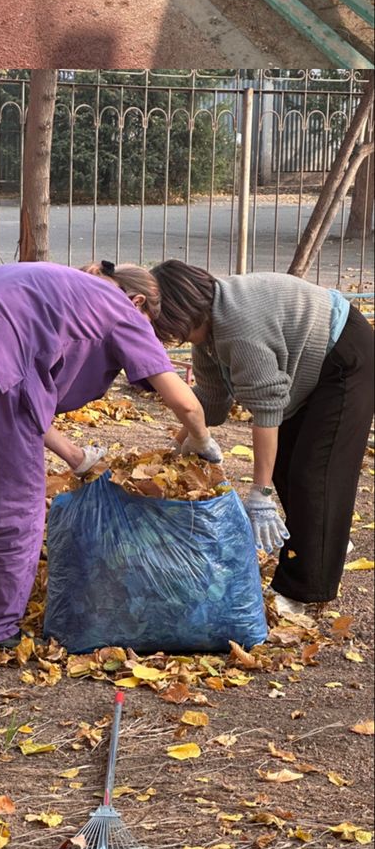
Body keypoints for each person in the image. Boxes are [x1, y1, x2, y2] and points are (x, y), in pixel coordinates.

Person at [0, 261, 219, 650]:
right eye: (152, 326)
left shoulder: (63, 287)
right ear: (139, 302)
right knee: (19, 508)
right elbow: (186, 403)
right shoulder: (121, 310)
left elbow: (25, 400)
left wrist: (74, 454)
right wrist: (201, 442)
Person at [149, 260, 374, 621]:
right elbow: (211, 399)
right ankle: (325, 536)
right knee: (286, 463)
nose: (165, 333)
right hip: (309, 361)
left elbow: (267, 411)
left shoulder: (238, 328)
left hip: (345, 354)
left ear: (182, 309)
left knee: (314, 474)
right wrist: (182, 443)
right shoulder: (207, 333)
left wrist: (261, 494)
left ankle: (301, 589)